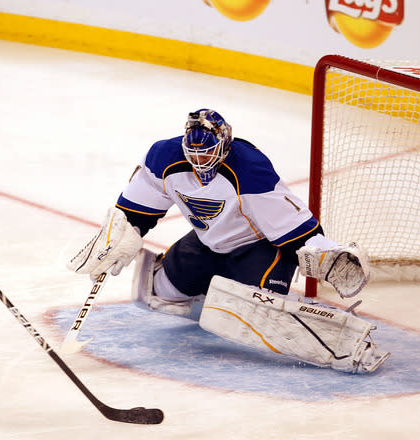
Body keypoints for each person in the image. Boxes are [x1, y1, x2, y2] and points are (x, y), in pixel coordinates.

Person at [67, 109, 389, 374]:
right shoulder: (162, 159)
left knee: (251, 312)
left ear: (223, 144)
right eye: (194, 154)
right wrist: (118, 238)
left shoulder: (249, 170)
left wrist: (326, 255)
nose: (201, 162)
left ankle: (344, 344)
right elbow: (133, 213)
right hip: (209, 244)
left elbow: (298, 232)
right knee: (153, 290)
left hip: (260, 249)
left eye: (207, 153)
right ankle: (217, 301)